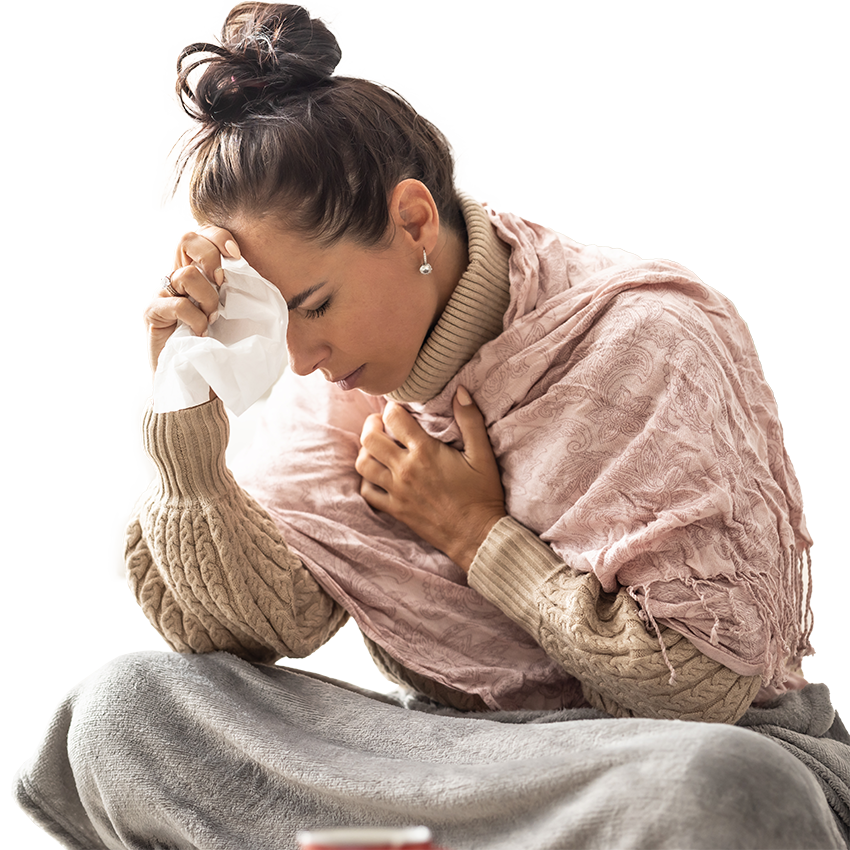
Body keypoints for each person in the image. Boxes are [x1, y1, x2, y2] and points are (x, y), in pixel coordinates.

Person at [16, 4, 850, 849]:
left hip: (651, 760)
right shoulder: (335, 395)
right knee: (127, 711)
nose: (301, 358)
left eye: (316, 305)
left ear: (412, 220)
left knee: (725, 787)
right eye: (279, 319)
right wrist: (184, 402)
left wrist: (477, 534)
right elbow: (243, 630)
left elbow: (695, 690)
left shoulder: (639, 341)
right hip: (451, 766)